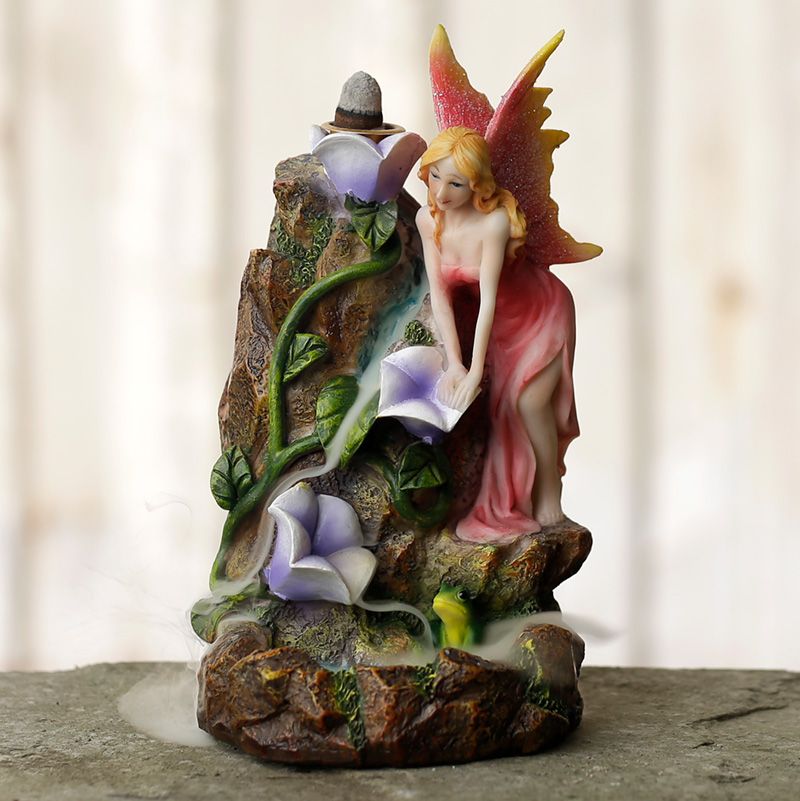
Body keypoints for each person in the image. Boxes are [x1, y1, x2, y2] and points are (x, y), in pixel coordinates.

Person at [416, 127, 579, 543]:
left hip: (538, 313)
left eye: (456, 184)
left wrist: (473, 373)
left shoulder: (494, 223)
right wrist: (455, 364)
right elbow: (440, 297)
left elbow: (487, 300)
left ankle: (549, 487)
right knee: (499, 414)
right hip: (498, 331)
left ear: (477, 185)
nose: (441, 192)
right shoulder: (427, 220)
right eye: (436, 176)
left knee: (529, 403)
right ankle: (516, 496)